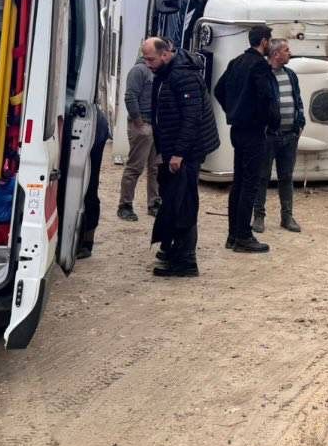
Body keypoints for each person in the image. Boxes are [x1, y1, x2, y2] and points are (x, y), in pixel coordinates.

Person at [146, 37, 218, 277]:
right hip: (175, 149)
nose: (147, 63)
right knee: (173, 199)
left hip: (187, 151)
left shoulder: (182, 75)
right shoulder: (168, 72)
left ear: (166, 54)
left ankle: (186, 261)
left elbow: (191, 118)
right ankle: (171, 249)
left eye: (151, 59)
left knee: (184, 203)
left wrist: (179, 153)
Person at [213, 23, 279, 253]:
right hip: (253, 131)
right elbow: (266, 99)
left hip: (237, 129)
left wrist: (233, 111)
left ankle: (233, 234)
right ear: (263, 41)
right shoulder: (259, 66)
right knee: (250, 184)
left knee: (239, 183)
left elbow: (219, 90)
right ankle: (243, 235)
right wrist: (271, 122)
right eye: (270, 41)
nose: (271, 44)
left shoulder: (236, 62)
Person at [253, 38, 305, 234]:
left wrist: (300, 123)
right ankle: (259, 216)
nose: (289, 53)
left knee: (286, 177)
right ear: (276, 54)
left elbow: (297, 100)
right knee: (262, 177)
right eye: (286, 50)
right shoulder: (264, 76)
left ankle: (287, 216)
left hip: (289, 135)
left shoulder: (291, 75)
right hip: (268, 136)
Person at [116, 47, 160, 222]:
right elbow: (130, 96)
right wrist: (139, 123)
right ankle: (125, 205)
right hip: (143, 125)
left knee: (155, 168)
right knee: (135, 167)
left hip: (155, 126)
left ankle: (154, 202)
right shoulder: (139, 71)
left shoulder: (154, 71)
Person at [77, 109, 110, 261]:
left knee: (88, 185)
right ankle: (84, 241)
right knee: (88, 184)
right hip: (90, 119)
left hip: (88, 123)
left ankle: (85, 242)